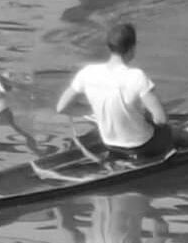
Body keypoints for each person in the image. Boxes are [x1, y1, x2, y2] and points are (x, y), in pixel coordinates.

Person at [56, 23, 173, 159]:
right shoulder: (137, 76)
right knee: (169, 131)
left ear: (109, 47)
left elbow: (61, 107)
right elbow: (161, 119)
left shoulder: (87, 73)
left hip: (109, 144)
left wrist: (95, 111)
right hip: (141, 146)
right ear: (132, 48)